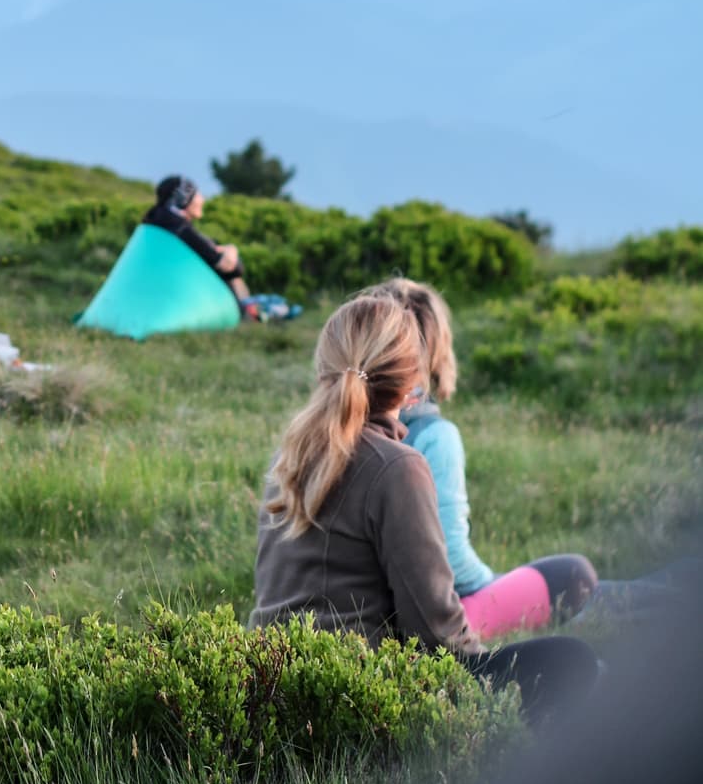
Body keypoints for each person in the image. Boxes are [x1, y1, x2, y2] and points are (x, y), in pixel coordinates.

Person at [252, 292, 598, 725]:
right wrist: (486, 672)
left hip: (266, 688)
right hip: (359, 698)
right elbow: (437, 635)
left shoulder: (289, 456)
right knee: (574, 661)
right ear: (411, 379)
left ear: (324, 366)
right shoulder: (396, 466)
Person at [373, 277, 598, 638]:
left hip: (344, 621)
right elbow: (451, 564)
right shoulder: (435, 438)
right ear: (435, 354)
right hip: (419, 626)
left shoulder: (319, 434)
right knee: (573, 576)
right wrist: (494, 582)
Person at [144, 176, 255, 319]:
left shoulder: (156, 222)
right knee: (234, 273)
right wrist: (232, 250)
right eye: (198, 195)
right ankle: (245, 315)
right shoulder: (181, 229)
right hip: (182, 295)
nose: (202, 200)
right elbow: (225, 265)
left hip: (159, 290)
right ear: (183, 200)